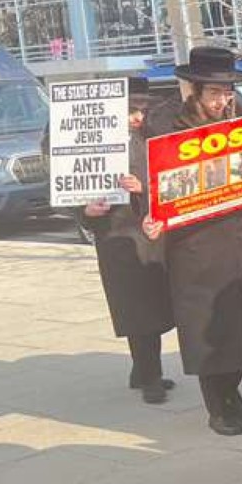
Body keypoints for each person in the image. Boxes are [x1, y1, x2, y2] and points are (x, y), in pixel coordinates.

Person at [141, 46, 242, 436]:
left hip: (239, 239)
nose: (222, 100)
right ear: (196, 90)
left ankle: (230, 390)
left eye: (227, 92)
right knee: (208, 332)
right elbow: (155, 184)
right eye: (215, 92)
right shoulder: (167, 125)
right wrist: (151, 216)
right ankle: (218, 406)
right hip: (195, 246)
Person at [81, 76, 174, 404]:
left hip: (150, 233)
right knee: (137, 311)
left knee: (154, 308)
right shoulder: (92, 146)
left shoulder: (150, 139)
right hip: (116, 236)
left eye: (142, 110)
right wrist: (87, 211)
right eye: (131, 110)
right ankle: (149, 376)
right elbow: (75, 192)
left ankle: (144, 369)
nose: (138, 117)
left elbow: (170, 181)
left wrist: (144, 189)